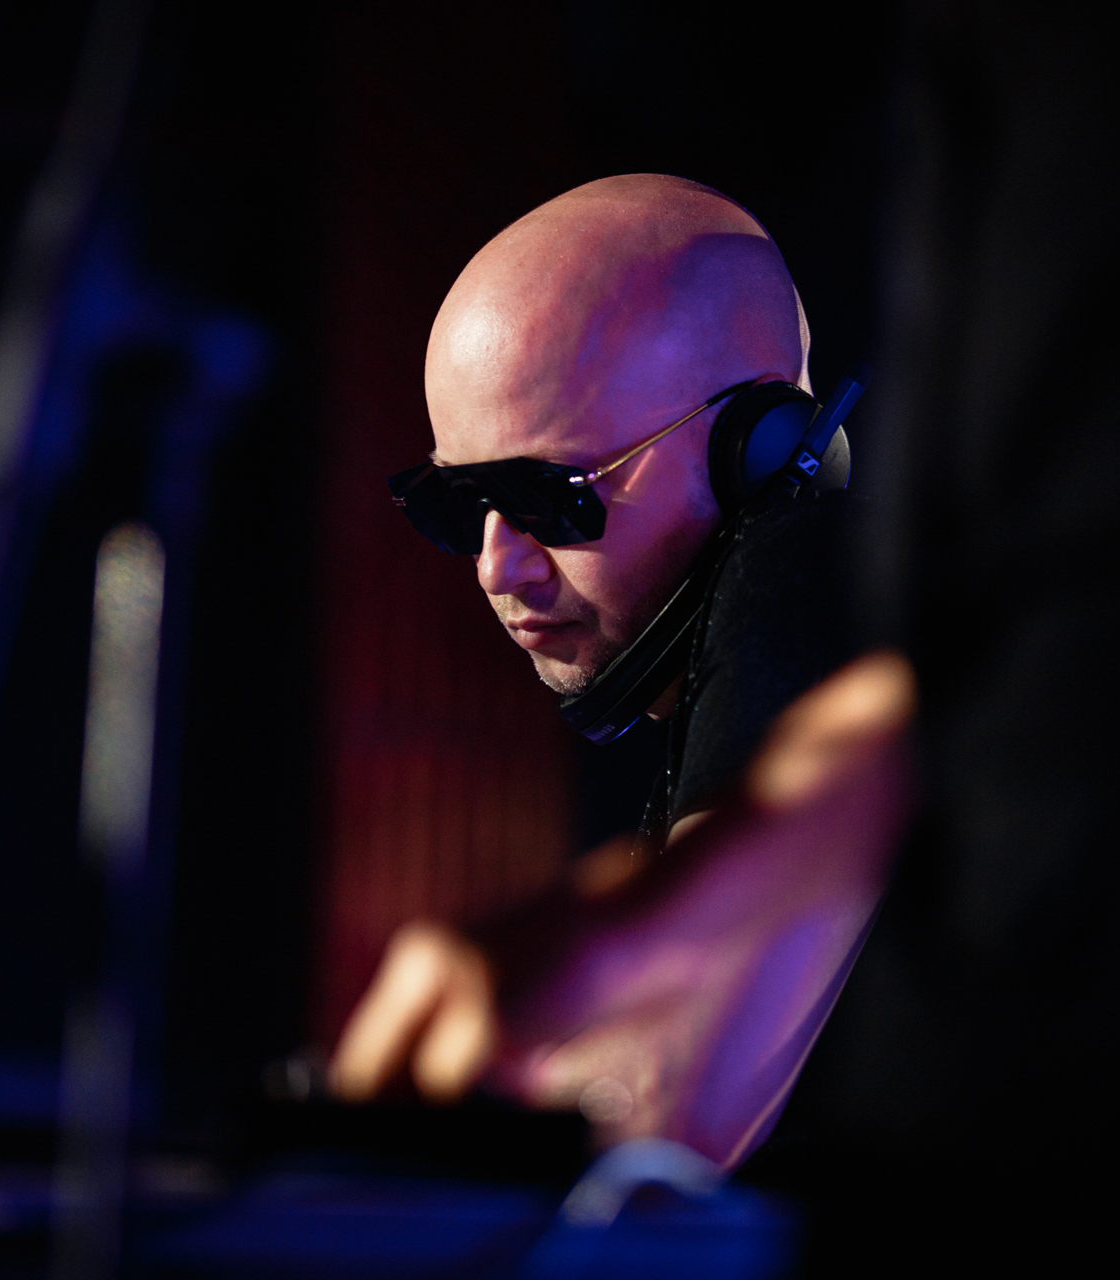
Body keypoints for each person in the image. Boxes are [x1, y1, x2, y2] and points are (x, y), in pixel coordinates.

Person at [327, 174, 905, 1169]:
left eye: (551, 499)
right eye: (456, 507)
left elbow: (663, 1104)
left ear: (766, 455)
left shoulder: (800, 568)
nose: (497, 567)